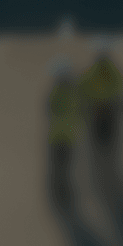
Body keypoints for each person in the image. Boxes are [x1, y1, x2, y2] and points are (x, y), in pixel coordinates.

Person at [79, 37, 123, 173]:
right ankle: (105, 165)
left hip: (103, 109)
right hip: (103, 109)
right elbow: (118, 84)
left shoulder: (100, 70)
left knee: (102, 139)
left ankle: (103, 165)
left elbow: (84, 87)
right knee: (105, 139)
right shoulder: (107, 70)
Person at [46, 57, 81, 210]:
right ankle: (63, 196)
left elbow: (51, 108)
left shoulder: (61, 91)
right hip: (65, 137)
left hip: (61, 137)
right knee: (63, 168)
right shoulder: (68, 93)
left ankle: (61, 196)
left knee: (60, 168)